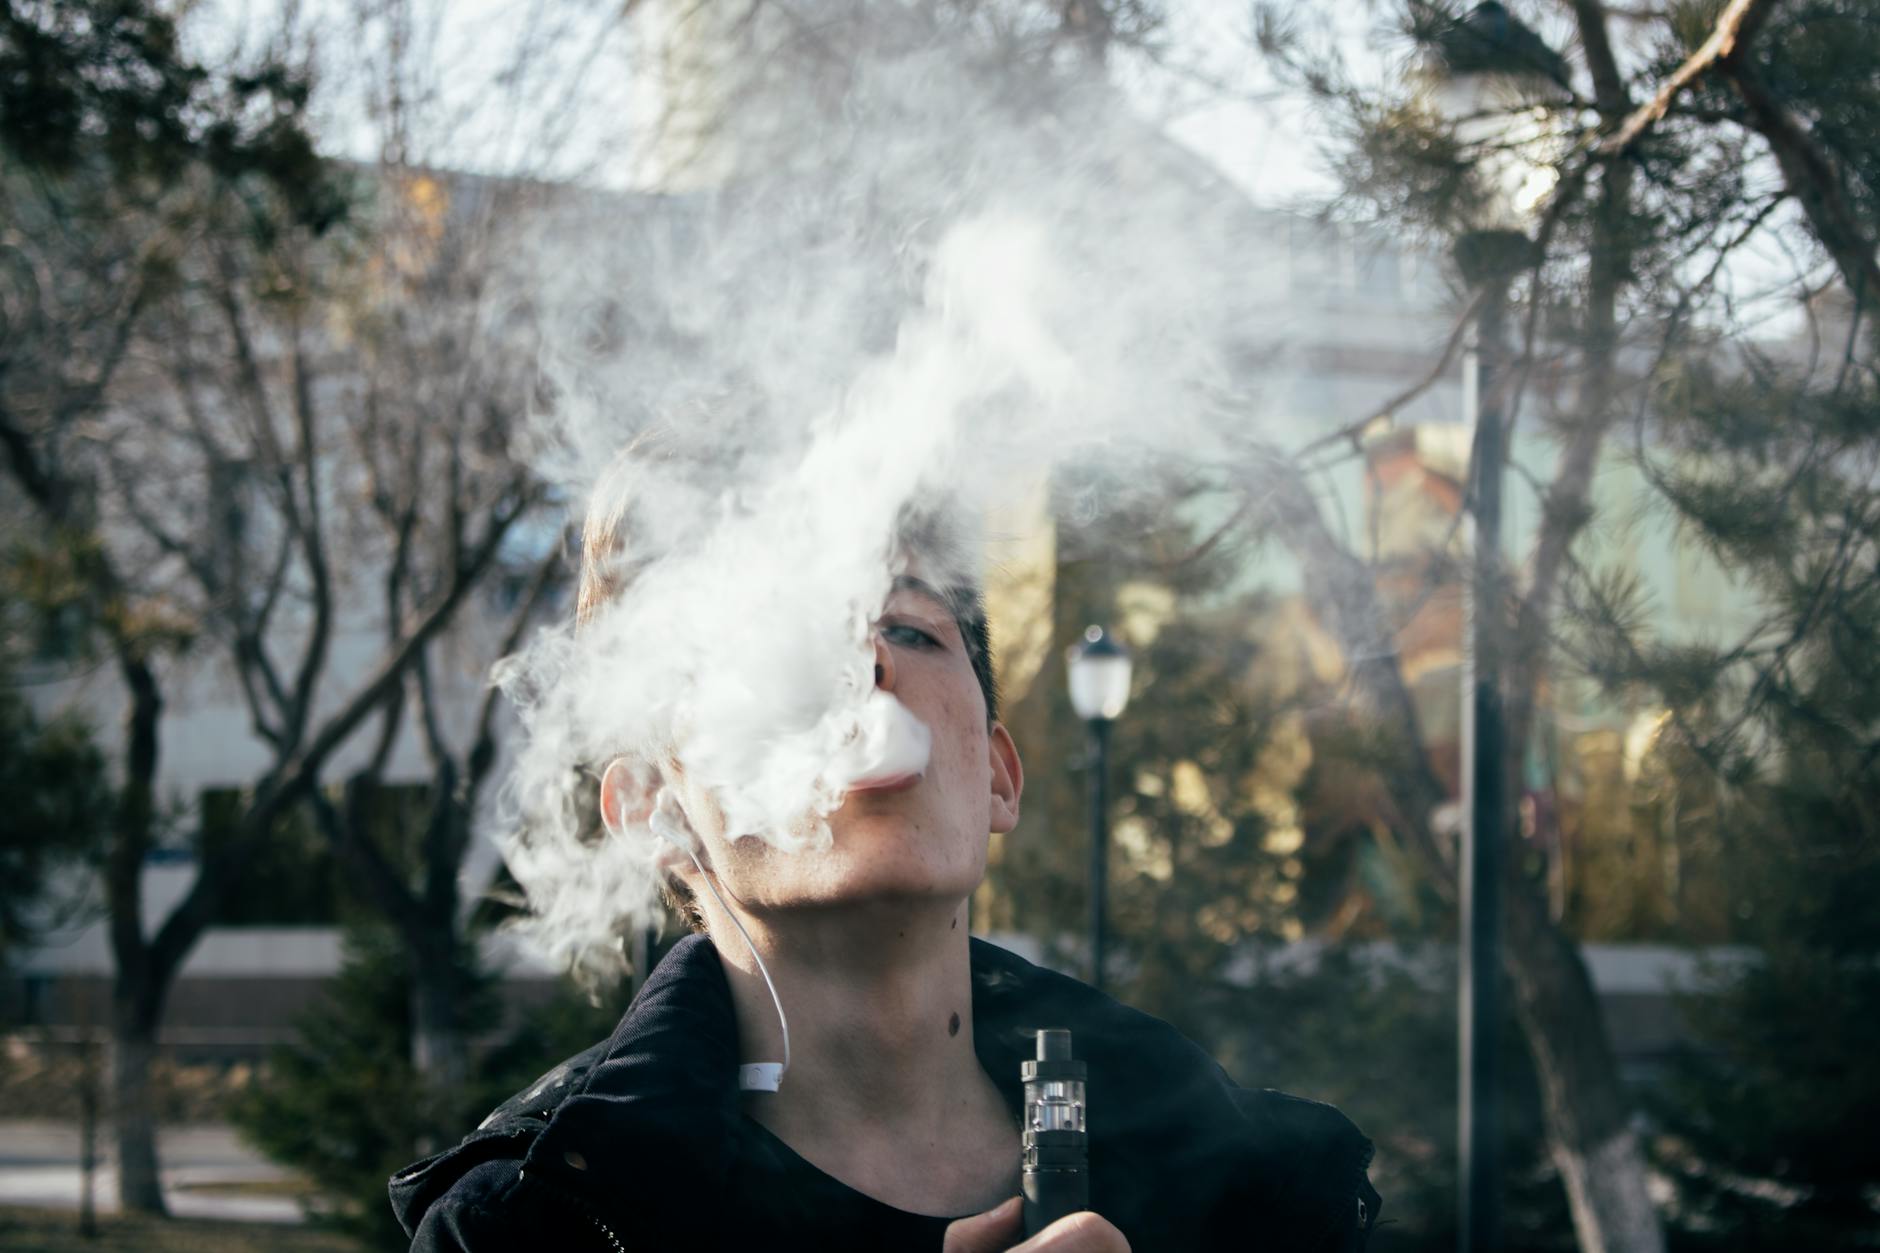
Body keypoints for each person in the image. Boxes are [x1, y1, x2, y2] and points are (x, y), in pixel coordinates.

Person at [390, 480, 1382, 1252]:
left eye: (908, 627)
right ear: (653, 805)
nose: (863, 664)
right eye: (777, 638)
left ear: (996, 776)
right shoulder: (531, 1226)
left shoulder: (1241, 1180)